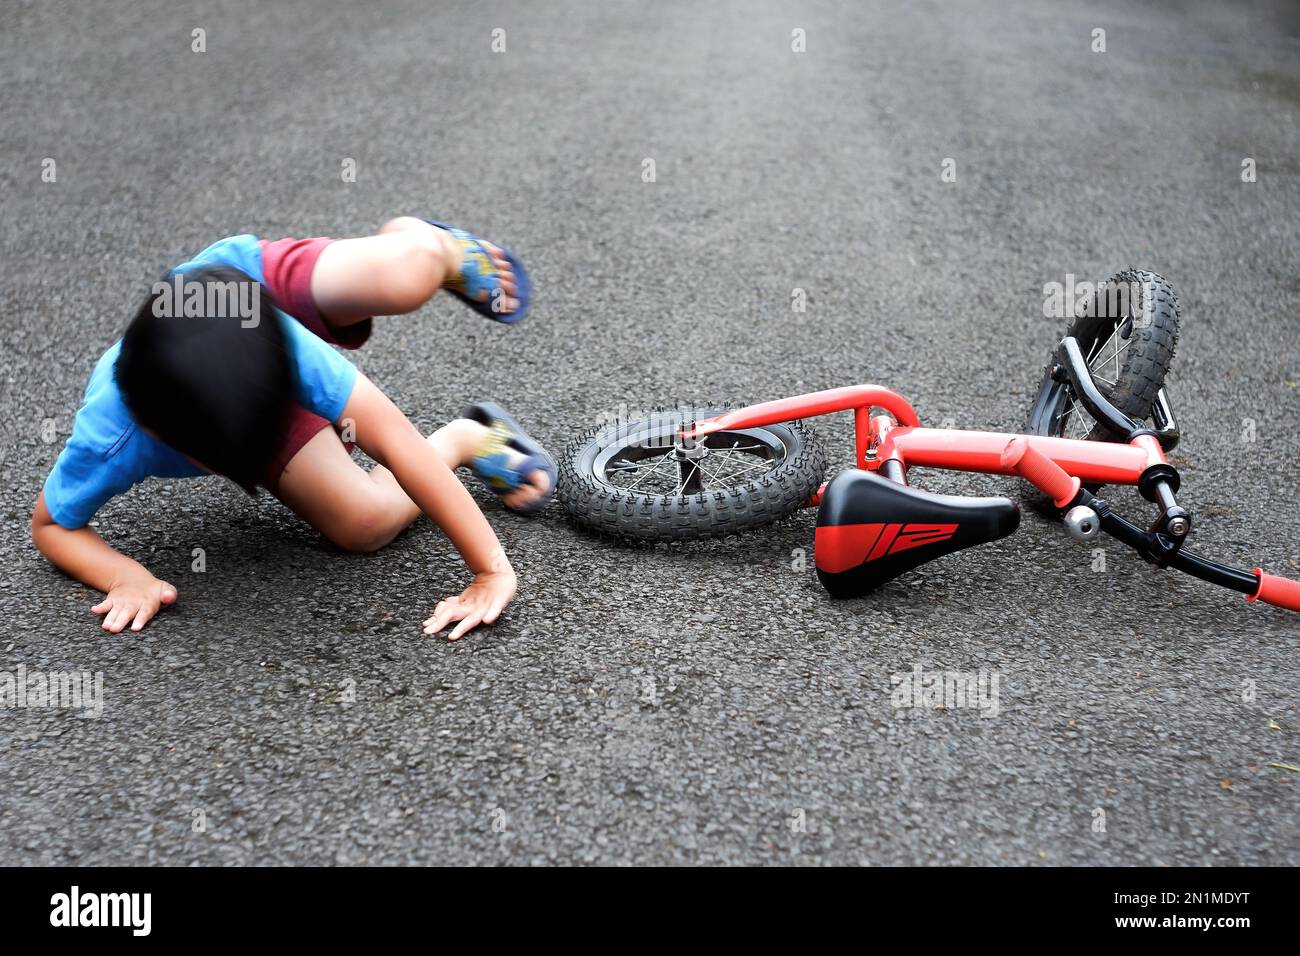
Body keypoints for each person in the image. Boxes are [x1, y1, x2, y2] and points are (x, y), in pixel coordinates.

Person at [31, 217, 553, 641]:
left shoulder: (287, 348)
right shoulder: (114, 437)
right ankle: (469, 436)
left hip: (245, 289)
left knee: (407, 274)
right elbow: (52, 525)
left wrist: (491, 571)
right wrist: (125, 575)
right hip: (216, 370)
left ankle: (435, 246)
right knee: (363, 524)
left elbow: (393, 437)